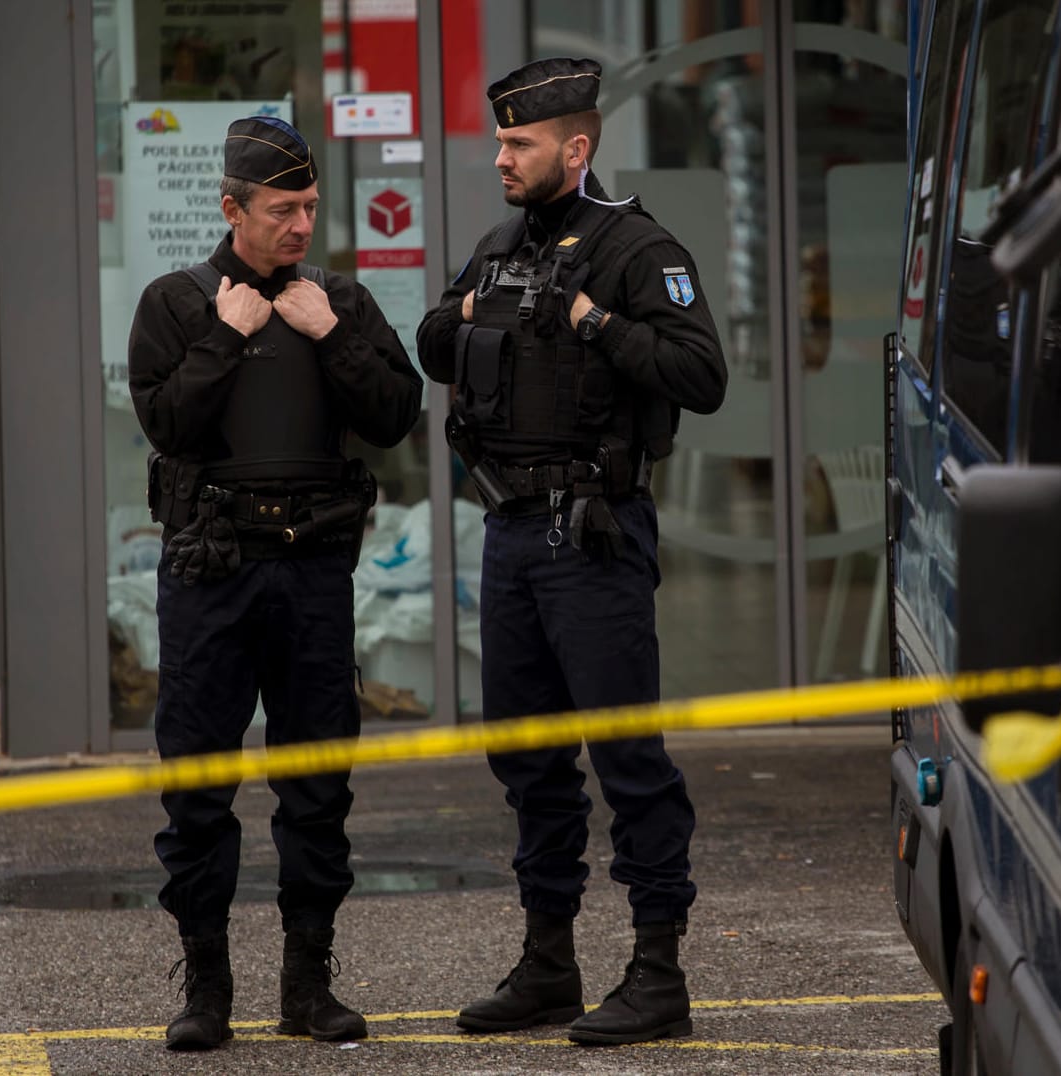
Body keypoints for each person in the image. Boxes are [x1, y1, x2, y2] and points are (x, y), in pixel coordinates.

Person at [415, 57, 727, 1046]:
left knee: (628, 755)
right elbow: (430, 340)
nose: (501, 158)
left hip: (595, 534)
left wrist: (594, 320)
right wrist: (470, 309)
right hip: (510, 532)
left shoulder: (637, 248)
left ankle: (657, 970)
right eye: (500, 141)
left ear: (575, 148)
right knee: (527, 756)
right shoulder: (501, 248)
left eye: (520, 144)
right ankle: (549, 961)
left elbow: (700, 372)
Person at [128, 115, 422, 1051]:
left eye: (308, 208)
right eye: (280, 210)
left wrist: (330, 334)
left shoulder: (336, 300)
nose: (300, 226)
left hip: (311, 572)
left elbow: (396, 415)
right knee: (200, 782)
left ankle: (308, 983)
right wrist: (225, 335)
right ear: (232, 209)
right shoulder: (176, 304)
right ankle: (207, 987)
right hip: (212, 572)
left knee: (316, 783)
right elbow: (168, 424)